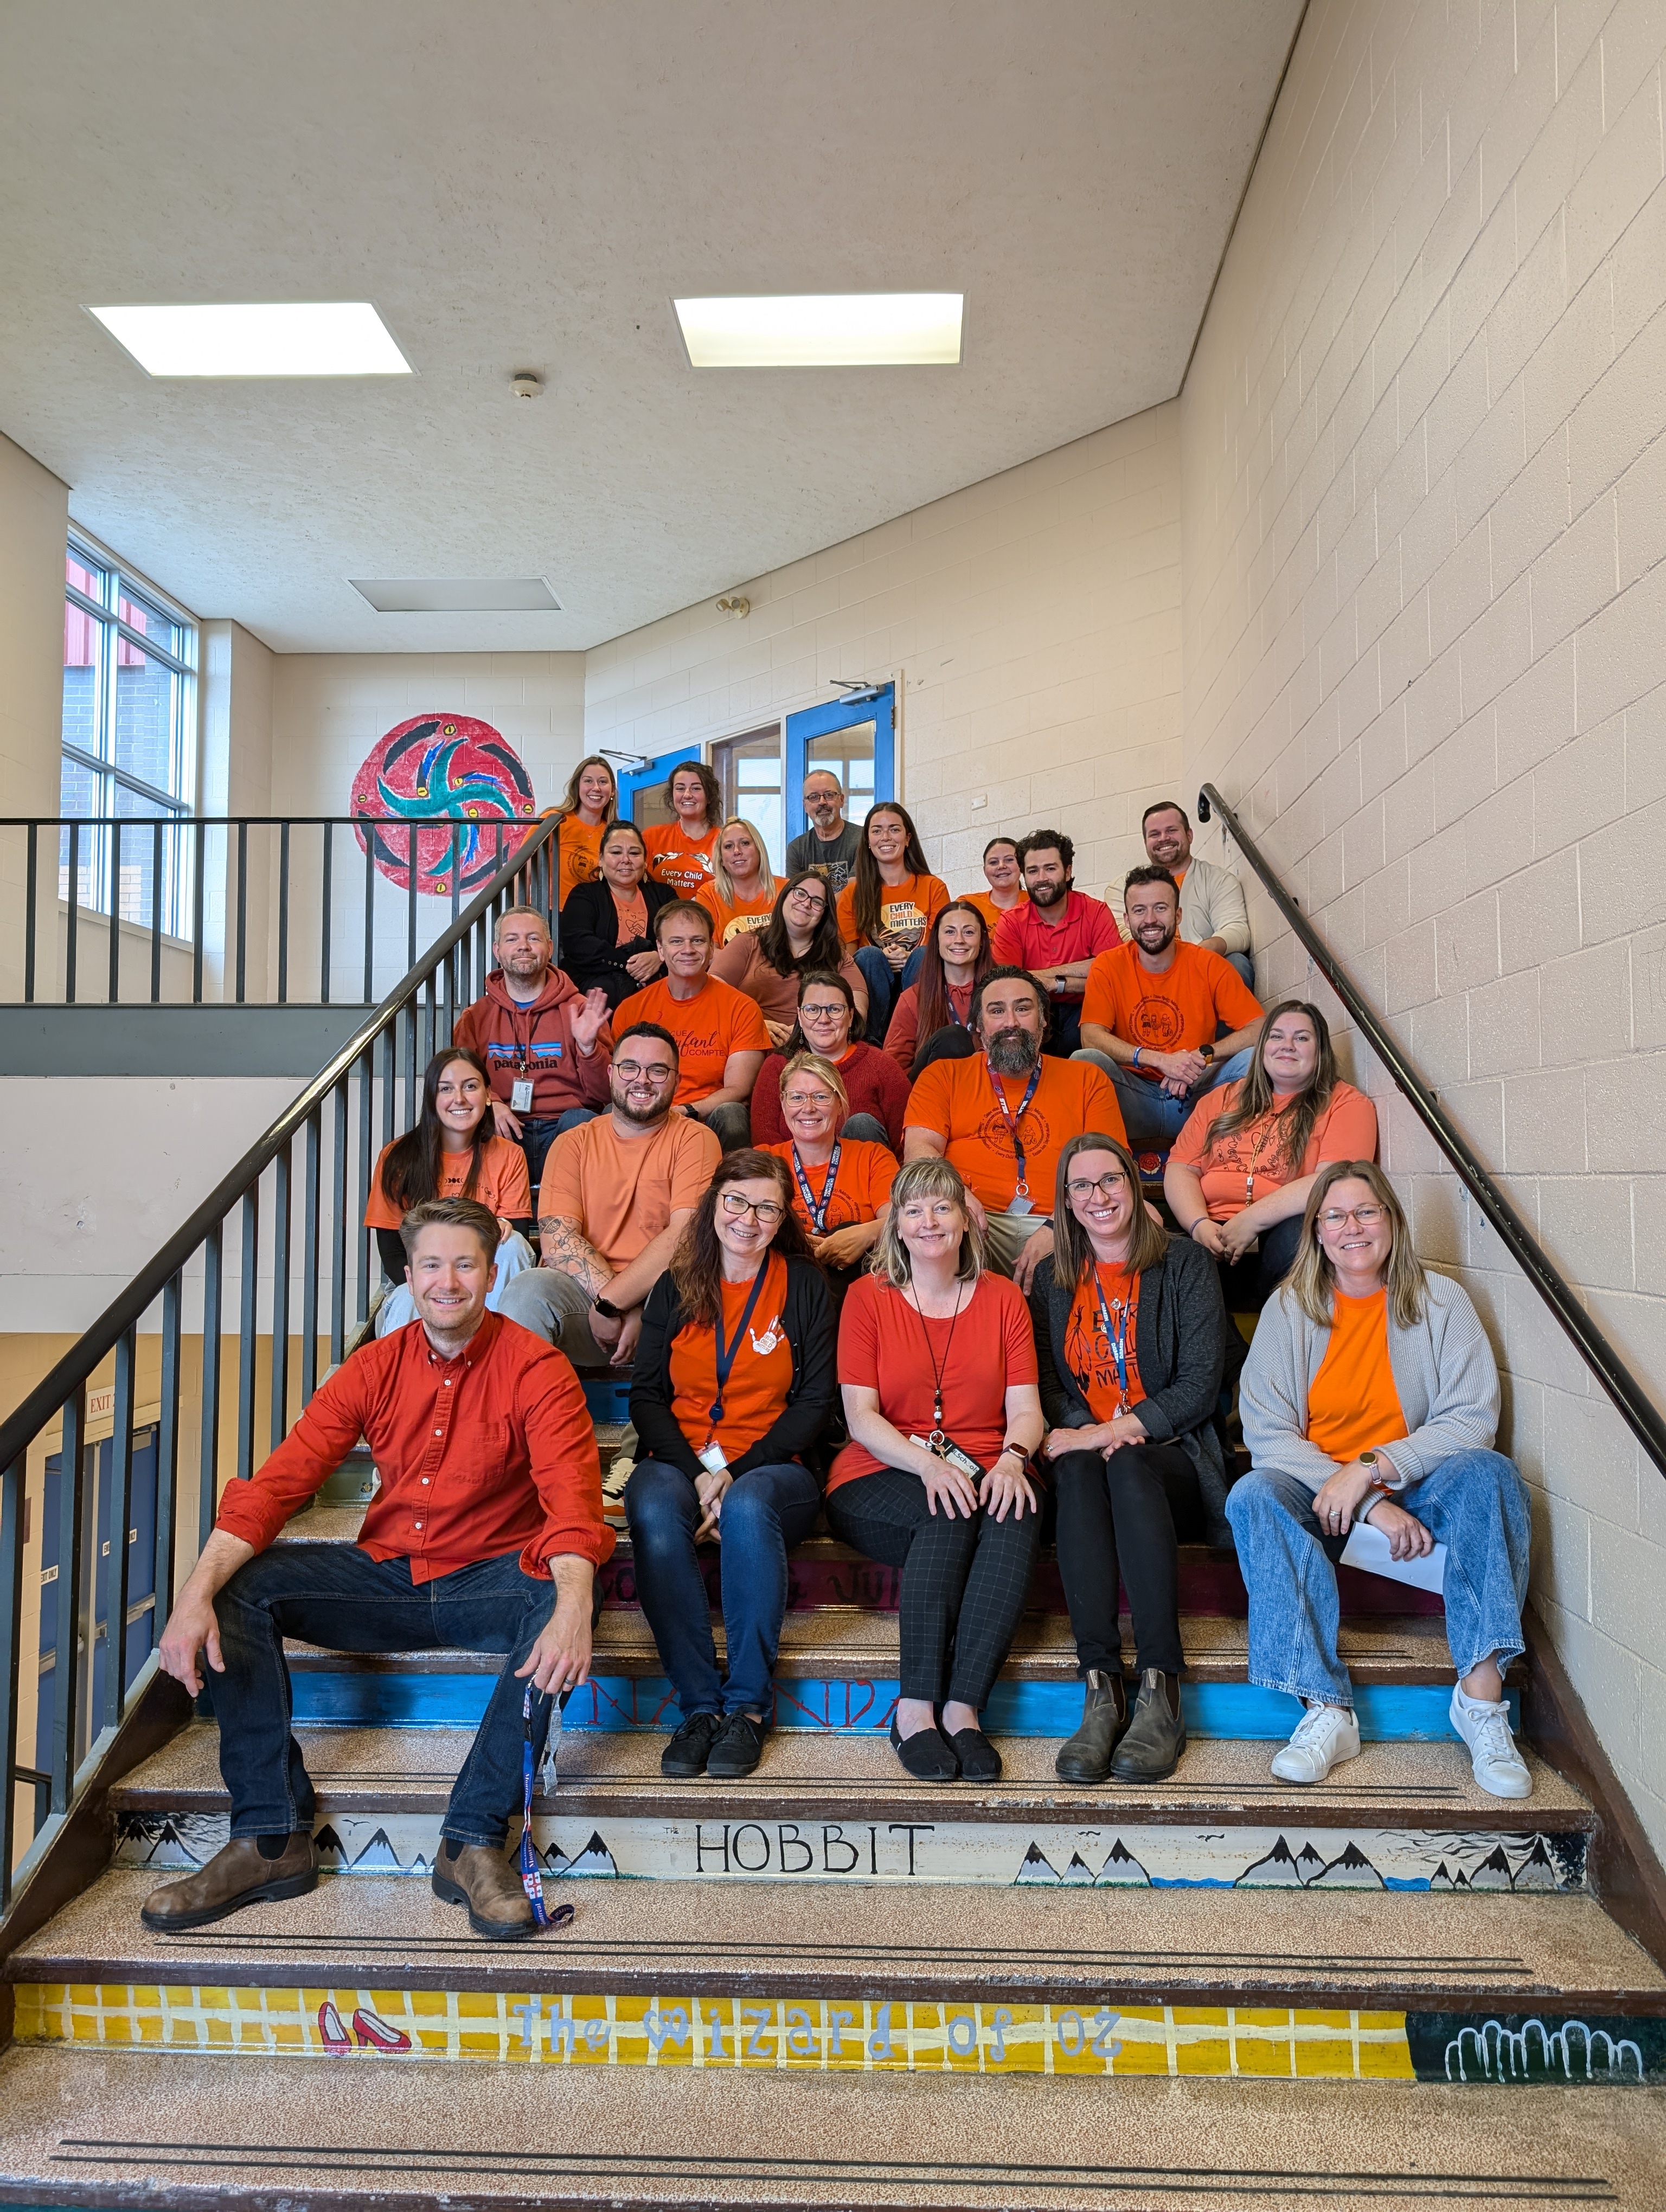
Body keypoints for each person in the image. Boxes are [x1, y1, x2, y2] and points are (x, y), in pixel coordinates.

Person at [143, 1196, 610, 1942]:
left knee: (560, 1594)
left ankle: (471, 1842)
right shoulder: (374, 1366)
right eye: (432, 1265)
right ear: (409, 1275)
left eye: (465, 1265)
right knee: (239, 1588)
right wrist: (193, 1594)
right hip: (388, 1577)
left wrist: (575, 1604)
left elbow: (572, 1503)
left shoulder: (538, 1369)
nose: (448, 1282)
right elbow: (277, 1487)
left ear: (492, 1274)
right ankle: (270, 1839)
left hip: (489, 1581)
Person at [1228, 1162, 1533, 1799]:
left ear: (1392, 1221)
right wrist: (1367, 1502)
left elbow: (1472, 1418)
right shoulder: (1289, 1308)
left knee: (1492, 1473)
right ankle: (1325, 1709)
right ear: (1316, 1232)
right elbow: (1268, 1434)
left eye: (1367, 1212)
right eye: (1335, 1216)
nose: (1353, 1227)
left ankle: (1480, 1701)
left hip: (1418, 1488)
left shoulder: (1441, 1301)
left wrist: (1372, 1469)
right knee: (1253, 1494)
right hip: (1322, 1497)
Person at [828, 1158, 1044, 1782]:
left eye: (943, 1207)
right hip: (879, 1466)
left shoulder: (1003, 1298)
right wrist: (928, 1465)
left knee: (1015, 1511)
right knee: (945, 1512)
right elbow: (861, 1417)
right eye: (914, 1209)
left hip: (989, 1461)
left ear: (966, 1220)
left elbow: (1026, 1410)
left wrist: (1014, 1459)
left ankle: (963, 1709)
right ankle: (915, 1710)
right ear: (895, 1225)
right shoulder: (867, 1298)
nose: (929, 1221)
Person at [625, 1150, 836, 1780]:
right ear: (714, 1203)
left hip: (775, 1467)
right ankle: (698, 1706)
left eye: (767, 1207)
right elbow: (646, 1397)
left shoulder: (805, 1286)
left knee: (746, 1505)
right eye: (737, 1201)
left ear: (783, 1218)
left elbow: (815, 1404)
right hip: (681, 1461)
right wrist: (699, 1474)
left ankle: (746, 1707)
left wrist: (733, 1473)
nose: (749, 1218)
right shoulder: (675, 1283)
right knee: (652, 1507)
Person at [1031, 1134, 1228, 1785]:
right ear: (1067, 1201)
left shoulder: (1184, 1264)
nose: (1099, 1196)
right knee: (1079, 1468)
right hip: (1091, 1455)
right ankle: (1101, 1687)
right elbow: (1050, 1384)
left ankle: (1160, 1686)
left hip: (1171, 1457)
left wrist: (1115, 1431)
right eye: (1082, 1186)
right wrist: (1088, 1432)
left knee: (1122, 1463)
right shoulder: (1054, 1278)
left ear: (1132, 1186)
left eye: (1111, 1180)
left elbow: (1200, 1381)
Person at [497, 1024, 721, 1372]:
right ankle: (523, 1406)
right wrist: (612, 1305)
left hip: (666, 1303)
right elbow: (558, 1240)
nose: (642, 1080)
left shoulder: (696, 1140)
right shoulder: (573, 1143)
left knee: (691, 1290)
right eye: (630, 1067)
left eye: (658, 1070)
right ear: (611, 1074)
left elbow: (685, 1236)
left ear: (677, 1081)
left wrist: (618, 1303)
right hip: (589, 1300)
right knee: (528, 1290)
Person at [905, 966, 1126, 1288]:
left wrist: (1059, 1227)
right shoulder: (943, 1076)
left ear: (1043, 1020)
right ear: (979, 1025)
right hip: (974, 1221)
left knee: (1142, 1214)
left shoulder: (1087, 1079)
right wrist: (956, 1195)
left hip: (1065, 1219)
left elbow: (1110, 1168)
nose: (1011, 1022)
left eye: (1023, 1009)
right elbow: (919, 1153)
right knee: (934, 1217)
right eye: (997, 1011)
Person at [1165, 1000, 1379, 1308]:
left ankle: (1275, 1327)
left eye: (1301, 1038)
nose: (1287, 1045)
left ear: (1320, 1051)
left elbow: (1335, 1182)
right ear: (1263, 1047)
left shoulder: (1346, 1103)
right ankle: (1226, 1339)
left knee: (1299, 1233)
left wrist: (1251, 1221)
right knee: (1160, 1245)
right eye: (1276, 1036)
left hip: (1280, 1249)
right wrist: (1198, 1225)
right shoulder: (1221, 1098)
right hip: (1210, 1236)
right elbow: (1181, 1167)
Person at [1075, 867, 1264, 1152]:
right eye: (1139, 910)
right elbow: (1090, 1037)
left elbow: (1260, 1028)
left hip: (1196, 1094)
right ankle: (1108, 1162)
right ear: (1127, 919)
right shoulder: (1108, 965)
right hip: (1134, 1096)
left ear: (1178, 915)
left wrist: (1198, 1058)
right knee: (1085, 1060)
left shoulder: (1208, 964)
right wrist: (1160, 1061)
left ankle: (1233, 1156)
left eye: (1160, 908)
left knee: (1255, 1060)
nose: (1150, 919)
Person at [364, 1047, 537, 1334]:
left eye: (470, 1086)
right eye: (446, 1088)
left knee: (512, 1243)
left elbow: (513, 1243)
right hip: (420, 1285)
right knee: (406, 1300)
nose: (459, 1098)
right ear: (432, 1098)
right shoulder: (397, 1158)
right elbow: (393, 1255)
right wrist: (440, 1291)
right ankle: (407, 1364)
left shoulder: (509, 1155)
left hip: (481, 1285)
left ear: (488, 1095)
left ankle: (494, 1348)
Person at [453, 905, 613, 1195]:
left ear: (550, 948)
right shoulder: (475, 1018)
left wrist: (588, 1048)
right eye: (512, 939)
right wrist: (491, 1103)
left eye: (533, 938)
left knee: (581, 1121)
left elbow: (606, 1094)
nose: (524, 946)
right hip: (505, 1128)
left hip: (564, 1129)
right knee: (475, 1124)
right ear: (497, 950)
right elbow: (459, 1083)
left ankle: (564, 1209)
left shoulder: (580, 1010)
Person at [612, 902, 770, 1152]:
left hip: (707, 1119)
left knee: (733, 1114)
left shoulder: (742, 1008)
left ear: (711, 948)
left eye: (698, 941)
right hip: (646, 1113)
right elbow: (621, 1080)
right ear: (661, 950)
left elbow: (739, 1089)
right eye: (676, 941)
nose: (688, 950)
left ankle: (730, 1179)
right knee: (610, 1111)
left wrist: (687, 1110)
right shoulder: (632, 1008)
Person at [761, 1052, 898, 1289]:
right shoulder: (764, 1161)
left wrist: (867, 1234)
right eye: (797, 1097)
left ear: (839, 1102)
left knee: (849, 1231)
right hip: (784, 1287)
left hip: (856, 1284)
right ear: (783, 1104)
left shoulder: (873, 1157)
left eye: (821, 1097)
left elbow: (904, 1221)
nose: (808, 1108)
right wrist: (793, 1241)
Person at [991, 831, 1122, 1058]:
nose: (1041, 878)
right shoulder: (1011, 921)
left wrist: (1052, 982)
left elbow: (1111, 975)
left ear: (1068, 872)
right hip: (1033, 1012)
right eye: (1033, 871)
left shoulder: (1095, 911)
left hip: (1086, 1010)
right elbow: (1009, 983)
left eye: (1050, 869)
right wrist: (1086, 970)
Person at [749, 970, 911, 1151]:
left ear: (851, 1016)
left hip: (869, 1168)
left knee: (861, 1124)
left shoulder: (882, 1067)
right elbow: (765, 1145)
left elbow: (906, 1144)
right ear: (800, 1016)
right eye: (812, 1010)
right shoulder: (777, 1067)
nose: (824, 1019)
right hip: (790, 1169)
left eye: (834, 1009)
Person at [834, 802, 950, 1040]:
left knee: (923, 955)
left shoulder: (933, 887)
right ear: (868, 841)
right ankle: (870, 1044)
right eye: (877, 831)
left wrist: (909, 957)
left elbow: (942, 947)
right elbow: (849, 956)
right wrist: (883, 959)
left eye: (894, 829)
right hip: (873, 983)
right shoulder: (853, 893)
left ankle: (918, 1039)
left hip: (919, 977)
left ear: (907, 839)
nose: (885, 837)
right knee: (869, 956)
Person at [710, 869, 868, 1043]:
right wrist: (754, 1025)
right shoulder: (747, 943)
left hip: (813, 1049)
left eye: (817, 902)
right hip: (749, 1041)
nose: (806, 904)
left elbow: (858, 1013)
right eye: (800, 894)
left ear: (824, 914)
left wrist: (809, 1031)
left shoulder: (837, 957)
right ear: (785, 895)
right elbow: (709, 995)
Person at [558, 820, 677, 1010]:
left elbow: (679, 937)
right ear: (601, 859)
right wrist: (629, 964)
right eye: (616, 852)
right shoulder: (584, 895)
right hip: (596, 983)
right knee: (605, 991)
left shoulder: (664, 895)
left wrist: (659, 957)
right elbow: (579, 944)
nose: (626, 860)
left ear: (645, 860)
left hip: (656, 978)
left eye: (634, 853)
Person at [1136, 801, 1254, 991]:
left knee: (1236, 963)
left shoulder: (1218, 880)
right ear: (1146, 843)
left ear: (1189, 835)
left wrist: (1198, 955)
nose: (1164, 838)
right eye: (1155, 834)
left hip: (1201, 971)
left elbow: (1237, 930)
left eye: (1171, 830)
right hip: (1151, 975)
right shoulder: (1130, 889)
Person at [884, 900, 991, 1077]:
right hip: (931, 1089)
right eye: (950, 932)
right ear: (937, 940)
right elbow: (893, 1071)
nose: (959, 940)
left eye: (969, 932)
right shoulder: (914, 997)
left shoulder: (1001, 992)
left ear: (981, 940)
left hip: (989, 1087)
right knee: (953, 1038)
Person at [542, 755, 618, 909]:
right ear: (577, 786)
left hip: (597, 915)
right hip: (554, 914)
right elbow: (524, 871)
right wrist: (518, 913)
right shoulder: (555, 820)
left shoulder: (616, 833)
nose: (596, 788)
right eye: (588, 781)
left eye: (603, 782)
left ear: (612, 791)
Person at [696, 817, 786, 946]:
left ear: (759, 850)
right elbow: (710, 951)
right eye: (729, 846)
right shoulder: (708, 894)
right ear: (721, 859)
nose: (737, 851)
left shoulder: (786, 889)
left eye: (745, 843)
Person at [643, 759, 722, 895]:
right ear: (672, 795)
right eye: (680, 788)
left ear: (709, 797)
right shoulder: (651, 837)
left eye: (696, 788)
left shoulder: (724, 842)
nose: (687, 795)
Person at [785, 767, 863, 892]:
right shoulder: (796, 848)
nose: (822, 802)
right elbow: (796, 896)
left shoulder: (863, 839)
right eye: (814, 797)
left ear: (842, 800)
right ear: (805, 806)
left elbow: (853, 892)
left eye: (829, 795)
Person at [960, 836, 1027, 932]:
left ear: (1022, 865)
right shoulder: (968, 904)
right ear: (985, 871)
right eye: (994, 862)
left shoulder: (1036, 903)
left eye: (1009, 860)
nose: (1001, 866)